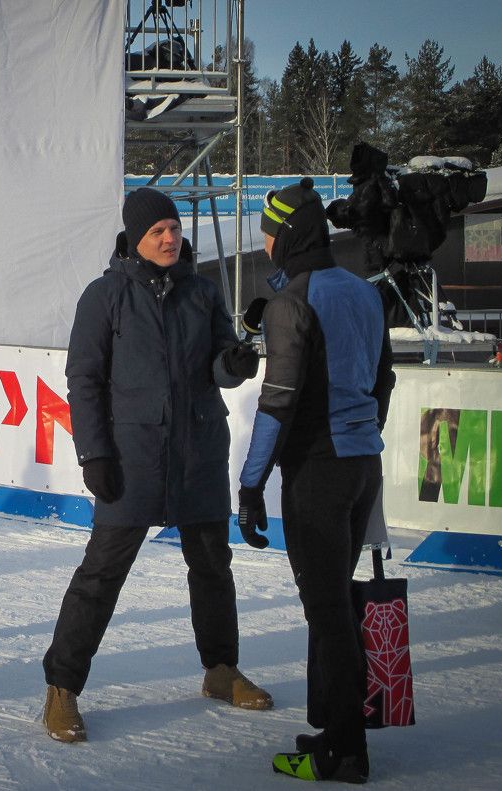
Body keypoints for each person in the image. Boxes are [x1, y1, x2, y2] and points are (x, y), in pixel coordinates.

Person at [41, 187, 273, 743]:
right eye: (157, 232)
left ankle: (220, 670)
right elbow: (85, 380)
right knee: (101, 575)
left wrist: (234, 363)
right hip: (133, 458)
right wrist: (94, 452)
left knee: (213, 568)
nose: (170, 239)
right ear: (135, 239)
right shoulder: (105, 296)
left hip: (197, 451)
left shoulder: (202, 292)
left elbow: (218, 366)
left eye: (174, 228)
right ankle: (61, 689)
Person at [237, 178, 395, 783]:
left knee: (328, 612)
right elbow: (384, 384)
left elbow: (276, 404)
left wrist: (251, 488)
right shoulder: (363, 292)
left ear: (287, 236)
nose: (266, 244)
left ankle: (345, 752)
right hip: (361, 466)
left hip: (319, 473)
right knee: (333, 606)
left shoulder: (290, 303)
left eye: (269, 234)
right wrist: (358, 438)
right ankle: (333, 726)